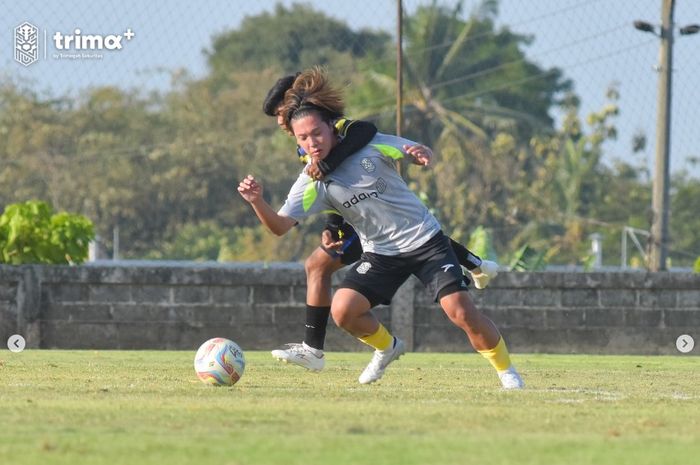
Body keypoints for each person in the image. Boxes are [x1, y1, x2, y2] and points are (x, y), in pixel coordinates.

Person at [239, 68, 523, 389]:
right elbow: (278, 227)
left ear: (332, 127)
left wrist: (418, 153)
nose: (312, 142)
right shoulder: (311, 180)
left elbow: (408, 149)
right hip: (381, 255)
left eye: (316, 133)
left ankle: (506, 371)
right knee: (344, 311)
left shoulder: (368, 143)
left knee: (460, 312)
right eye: (303, 138)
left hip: (426, 242)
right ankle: (387, 347)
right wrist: (256, 201)